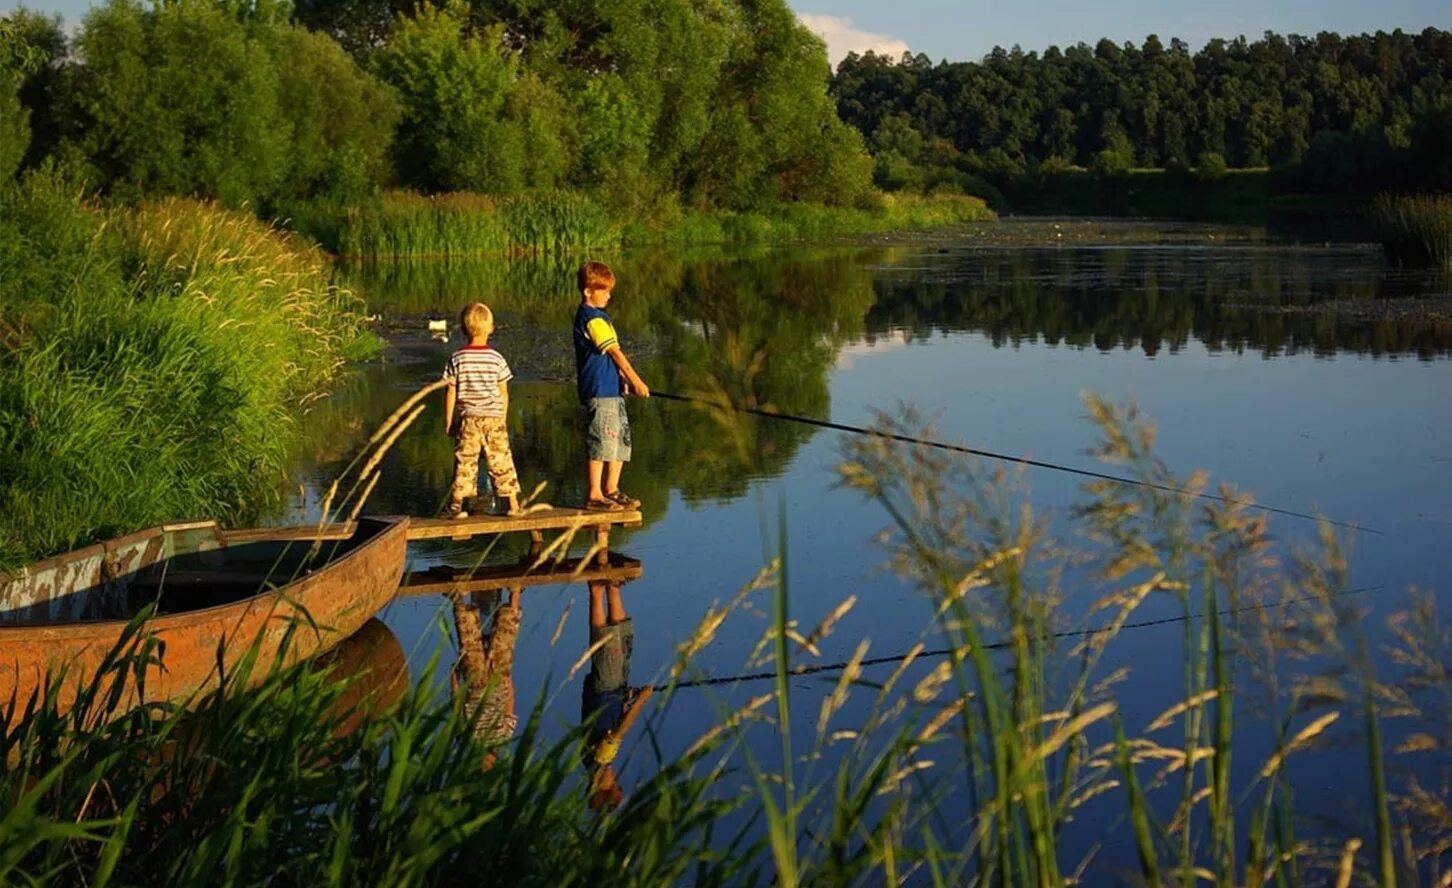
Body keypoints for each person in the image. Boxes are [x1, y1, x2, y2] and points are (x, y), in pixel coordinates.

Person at [573, 261, 650, 512]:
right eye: (603, 290)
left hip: (612, 390)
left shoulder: (602, 318)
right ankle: (595, 494)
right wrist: (637, 380)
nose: (609, 295)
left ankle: (612, 490)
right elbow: (615, 353)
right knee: (602, 441)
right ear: (588, 291)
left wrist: (624, 381)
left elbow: (610, 357)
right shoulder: (591, 319)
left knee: (620, 442)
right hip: (598, 390)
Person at [443, 302, 521, 519]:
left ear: (462, 329)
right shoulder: (496, 358)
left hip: (469, 418)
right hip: (494, 418)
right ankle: (513, 505)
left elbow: (450, 391)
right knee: (501, 459)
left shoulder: (457, 358)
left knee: (465, 461)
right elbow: (503, 392)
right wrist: (502, 416)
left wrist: (449, 420)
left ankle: (457, 506)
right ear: (491, 328)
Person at [581, 580, 654, 810]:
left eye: (615, 784)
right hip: (614, 690)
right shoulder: (592, 761)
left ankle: (597, 590)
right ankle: (614, 589)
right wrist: (627, 699)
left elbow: (618, 732)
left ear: (604, 786)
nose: (616, 779)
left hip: (606, 690)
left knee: (606, 642)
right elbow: (613, 722)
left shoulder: (600, 761)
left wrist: (641, 701)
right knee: (623, 640)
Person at [452, 587, 522, 771]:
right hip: (497, 683)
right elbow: (509, 709)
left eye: (482, 765)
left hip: (474, 684)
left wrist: (454, 681)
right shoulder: (503, 738)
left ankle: (459, 597)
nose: (486, 761)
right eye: (489, 764)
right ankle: (515, 594)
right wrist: (509, 684)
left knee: (468, 641)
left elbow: (458, 709)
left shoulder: (466, 740)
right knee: (505, 639)